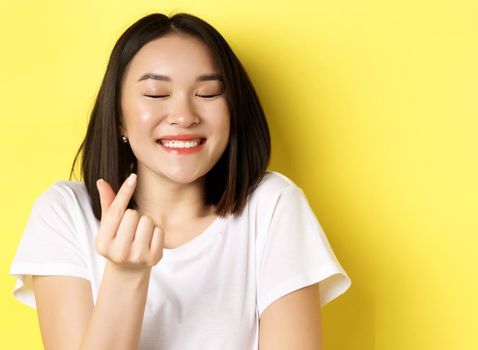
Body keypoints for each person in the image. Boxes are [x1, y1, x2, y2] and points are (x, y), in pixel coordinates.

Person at [8, 12, 351, 350]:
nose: (185, 117)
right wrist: (125, 276)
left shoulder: (272, 206)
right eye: (157, 95)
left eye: (208, 93)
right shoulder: (65, 214)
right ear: (118, 119)